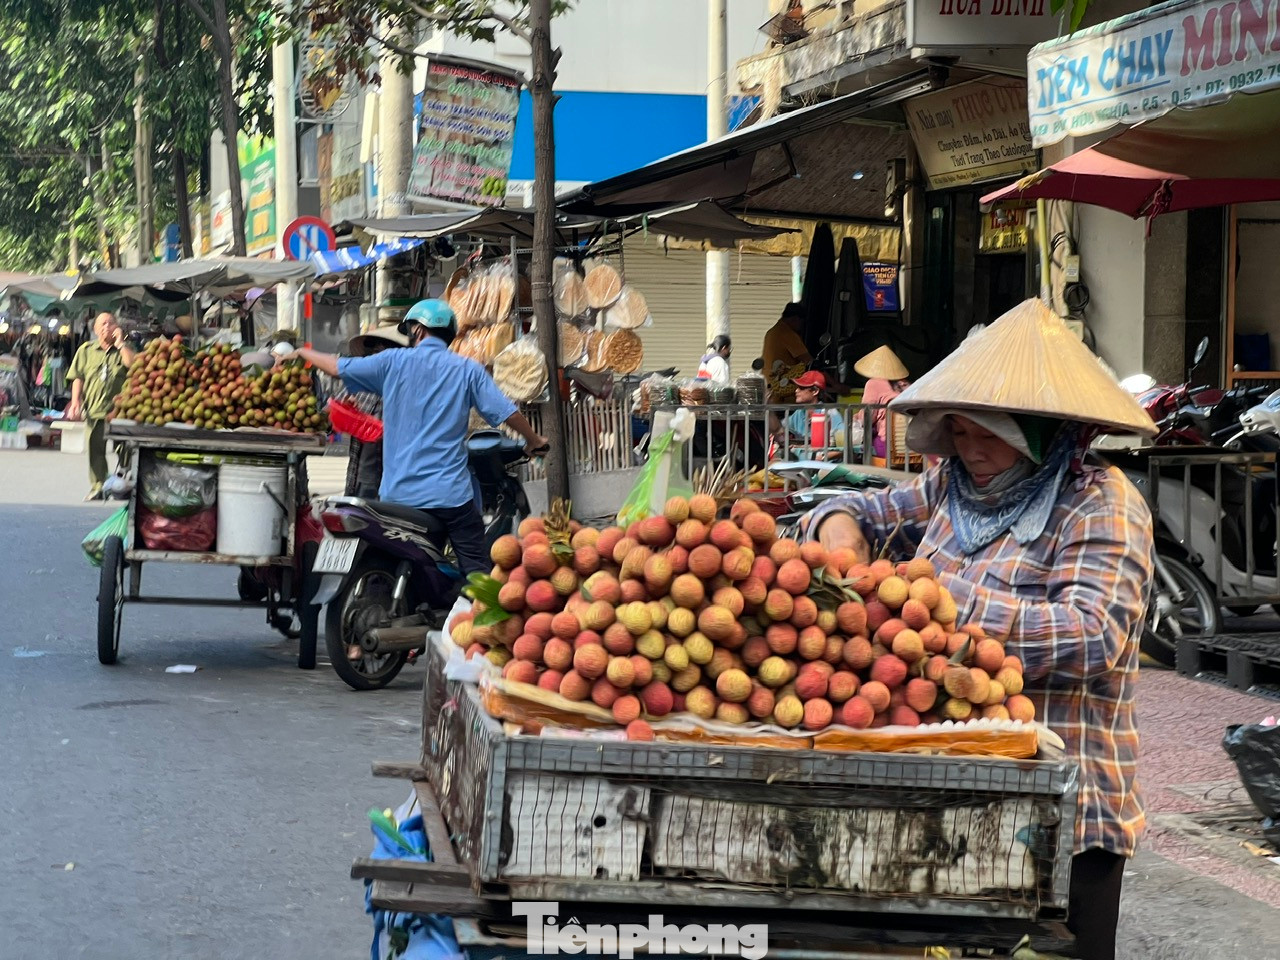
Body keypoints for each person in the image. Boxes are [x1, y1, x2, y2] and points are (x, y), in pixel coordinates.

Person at [800, 300, 1157, 960]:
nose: (971, 450)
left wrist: (943, 600)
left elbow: (1091, 636)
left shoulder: (1099, 503)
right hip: (955, 805)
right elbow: (863, 507)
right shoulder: (952, 487)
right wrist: (838, 529)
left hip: (1064, 815)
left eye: (989, 435)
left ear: (1042, 430)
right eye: (960, 433)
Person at [281, 299, 548, 576]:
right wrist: (533, 440)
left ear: (418, 331)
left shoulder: (392, 362)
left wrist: (302, 351)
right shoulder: (468, 369)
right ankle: (471, 610)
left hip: (396, 496)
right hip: (449, 496)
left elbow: (337, 368)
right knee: (477, 571)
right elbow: (507, 413)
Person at [65, 312, 136, 501]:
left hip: (121, 411)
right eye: (103, 324)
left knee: (126, 448)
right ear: (96, 330)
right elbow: (78, 377)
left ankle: (123, 482)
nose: (108, 327)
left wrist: (120, 343)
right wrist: (75, 402)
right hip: (95, 409)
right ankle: (98, 486)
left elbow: (133, 365)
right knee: (95, 449)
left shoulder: (125, 350)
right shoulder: (86, 350)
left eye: (112, 323)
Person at [341, 322, 411, 500]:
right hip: (362, 476)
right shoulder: (360, 384)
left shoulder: (406, 387)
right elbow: (331, 417)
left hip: (394, 480)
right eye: (374, 352)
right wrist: (348, 411)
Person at [854, 344, 911, 458]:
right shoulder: (906, 384)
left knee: (859, 450)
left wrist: (857, 417)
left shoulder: (874, 383)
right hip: (913, 446)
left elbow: (867, 418)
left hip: (888, 446)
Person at [761, 302, 811, 399]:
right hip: (782, 391)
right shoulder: (787, 334)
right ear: (795, 319)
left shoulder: (772, 332)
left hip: (769, 388)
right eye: (802, 322)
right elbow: (808, 361)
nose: (802, 326)